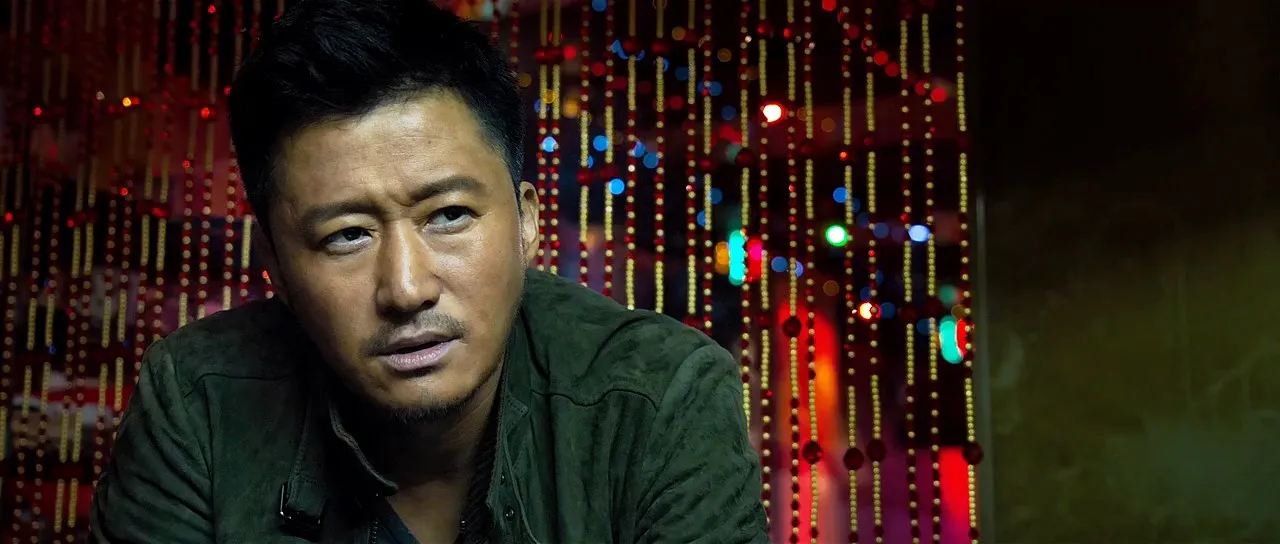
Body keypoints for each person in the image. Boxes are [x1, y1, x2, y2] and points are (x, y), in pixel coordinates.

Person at [90, 0, 767, 542]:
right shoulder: (199, 403)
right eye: (347, 235)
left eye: (448, 216)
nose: (407, 288)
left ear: (528, 222)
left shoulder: (659, 399)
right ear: (277, 268)